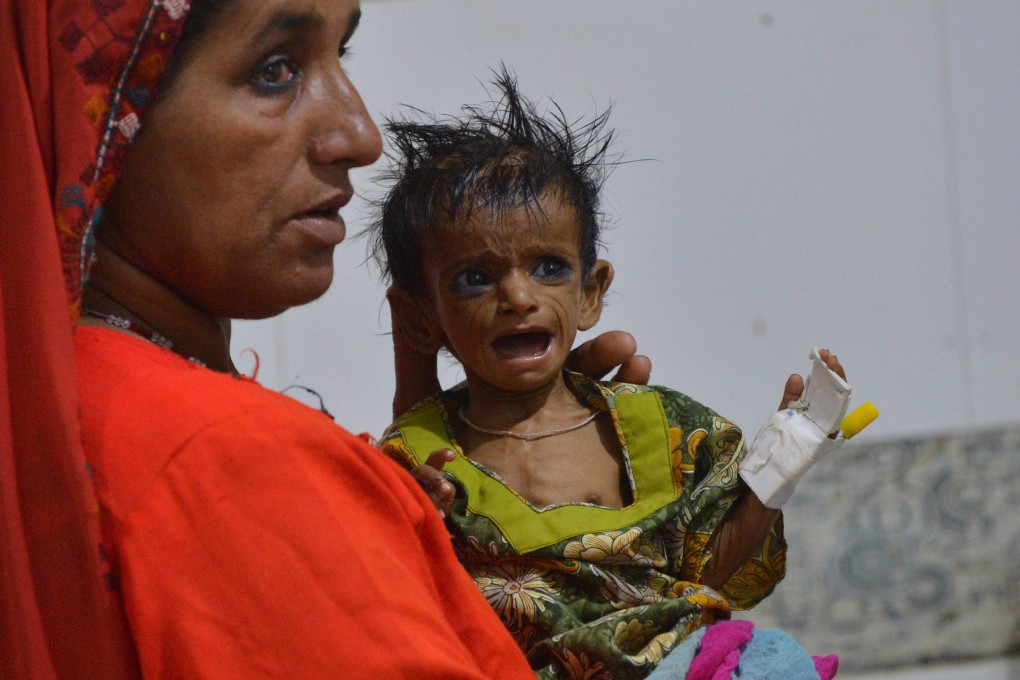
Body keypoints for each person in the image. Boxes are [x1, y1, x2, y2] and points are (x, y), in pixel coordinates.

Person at [1, 1, 651, 678]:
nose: (361, 135)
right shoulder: (231, 459)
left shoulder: (63, 400)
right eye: (275, 71)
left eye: (340, 55)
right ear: (106, 111)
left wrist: (407, 522)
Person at [372, 73, 847, 679]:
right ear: (419, 319)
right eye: (474, 277)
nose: (518, 296)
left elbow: (707, 572)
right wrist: (414, 517)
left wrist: (787, 455)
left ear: (590, 293)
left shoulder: (663, 429)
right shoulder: (417, 461)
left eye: (548, 267)